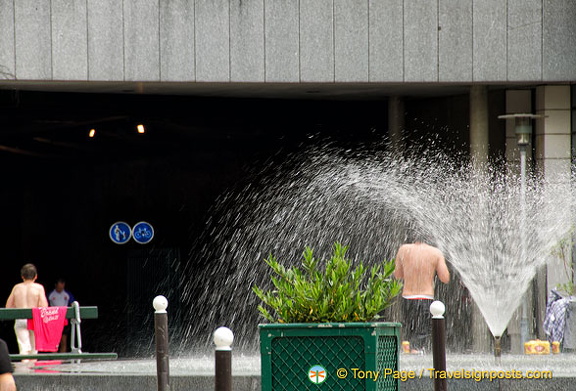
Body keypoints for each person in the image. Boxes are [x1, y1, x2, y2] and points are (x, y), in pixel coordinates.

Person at [394, 238, 450, 353]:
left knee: (409, 333)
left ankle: (408, 356)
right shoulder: (435, 252)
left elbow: (398, 275)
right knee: (421, 336)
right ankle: (416, 358)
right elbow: (445, 278)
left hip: (407, 298)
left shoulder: (403, 250)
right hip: (426, 298)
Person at [5, 264, 48, 355]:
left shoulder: (16, 287)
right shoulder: (39, 288)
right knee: (34, 350)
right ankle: (32, 369)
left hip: (20, 319)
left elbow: (8, 307)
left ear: (22, 276)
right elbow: (44, 306)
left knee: (24, 349)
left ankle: (24, 369)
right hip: (34, 319)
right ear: (36, 276)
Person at [48, 278, 75, 352]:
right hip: (53, 320)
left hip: (64, 321)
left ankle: (62, 360)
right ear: (56, 285)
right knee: (54, 341)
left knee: (64, 341)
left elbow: (74, 304)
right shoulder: (50, 294)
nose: (61, 287)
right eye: (60, 285)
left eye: (63, 284)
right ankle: (53, 359)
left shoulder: (67, 294)